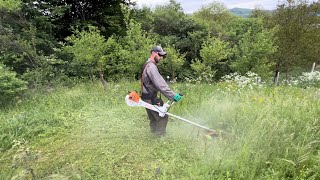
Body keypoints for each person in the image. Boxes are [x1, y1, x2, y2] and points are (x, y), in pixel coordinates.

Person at [140, 45, 183, 136]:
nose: (161, 58)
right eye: (160, 55)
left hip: (146, 96)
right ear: (153, 53)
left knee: (153, 117)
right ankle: (159, 137)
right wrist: (173, 96)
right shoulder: (151, 67)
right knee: (162, 116)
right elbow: (160, 84)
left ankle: (154, 133)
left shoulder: (147, 64)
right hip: (150, 97)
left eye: (162, 56)